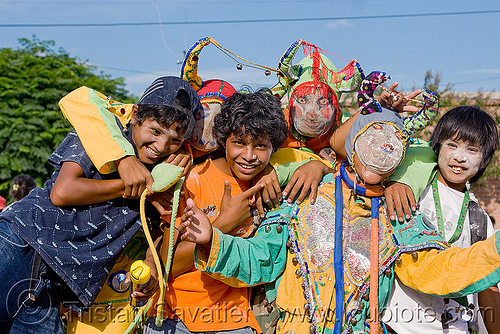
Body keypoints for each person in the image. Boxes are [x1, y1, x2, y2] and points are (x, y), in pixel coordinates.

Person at [176, 90, 500, 334]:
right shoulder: (305, 192)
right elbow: (261, 257)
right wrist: (214, 242)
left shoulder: (398, 210)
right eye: (372, 139)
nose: (380, 150)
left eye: (391, 144)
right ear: (355, 144)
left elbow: (433, 268)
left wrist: (495, 250)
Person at [0, 76, 200, 333]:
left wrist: (151, 266)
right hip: (21, 246)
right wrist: (139, 188)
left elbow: (159, 231)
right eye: (156, 131)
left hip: (52, 283)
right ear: (136, 115)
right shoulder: (103, 131)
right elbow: (62, 192)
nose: (161, 146)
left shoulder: (167, 171)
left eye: (175, 140)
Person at [142, 90, 289, 334]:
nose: (249, 156)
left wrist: (317, 165)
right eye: (239, 143)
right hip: (174, 317)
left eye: (261, 146)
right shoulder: (193, 180)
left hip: (234, 320)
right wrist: (224, 223)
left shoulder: (269, 187)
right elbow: (166, 264)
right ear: (223, 141)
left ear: (274, 148)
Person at [382, 106, 500, 334]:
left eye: (472, 149)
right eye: (452, 145)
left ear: (484, 159)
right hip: (398, 326)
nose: (460, 157)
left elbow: (488, 287)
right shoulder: (412, 190)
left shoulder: (480, 219)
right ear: (437, 146)